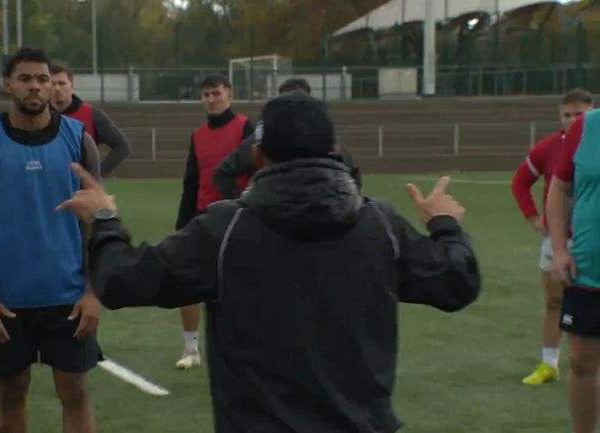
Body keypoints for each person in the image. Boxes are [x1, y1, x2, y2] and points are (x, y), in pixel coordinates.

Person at [57, 92, 482, 433]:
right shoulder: (380, 223)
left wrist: (104, 219)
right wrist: (443, 223)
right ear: (335, 150)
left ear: (258, 157)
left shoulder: (224, 230)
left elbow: (122, 280)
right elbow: (457, 281)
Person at [0, 47, 102, 433]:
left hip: (68, 295)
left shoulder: (79, 138)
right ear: (8, 84)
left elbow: (97, 221)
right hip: (6, 298)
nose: (35, 87)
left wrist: (93, 291)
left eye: (43, 79)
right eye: (25, 79)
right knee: (12, 391)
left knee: (75, 390)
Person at [511, 88, 593, 385]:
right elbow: (520, 182)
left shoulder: (595, 140)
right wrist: (534, 218)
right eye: (566, 115)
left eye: (579, 114)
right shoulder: (548, 147)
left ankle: (587, 364)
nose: (572, 120)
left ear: (591, 112)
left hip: (592, 241)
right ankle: (549, 365)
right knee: (554, 302)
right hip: (557, 239)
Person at [174, 72, 254, 370]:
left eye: (216, 93)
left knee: (236, 289)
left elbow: (258, 169)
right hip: (203, 219)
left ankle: (242, 349)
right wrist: (183, 221)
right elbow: (191, 180)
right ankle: (191, 348)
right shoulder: (197, 135)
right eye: (206, 95)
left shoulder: (246, 127)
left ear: (229, 94)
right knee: (188, 282)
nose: (211, 99)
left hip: (239, 219)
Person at [212, 77, 362, 199]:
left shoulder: (329, 141)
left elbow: (353, 175)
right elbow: (222, 173)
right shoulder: (260, 140)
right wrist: (242, 203)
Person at [547, 105, 600, 433]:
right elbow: (559, 188)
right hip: (588, 270)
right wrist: (559, 250)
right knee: (581, 362)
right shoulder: (587, 126)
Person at [50, 63, 130, 176]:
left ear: (72, 85)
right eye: (52, 84)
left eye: (62, 83)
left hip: (83, 190)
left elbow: (122, 146)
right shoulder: (38, 117)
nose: (57, 88)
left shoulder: (91, 114)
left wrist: (98, 172)